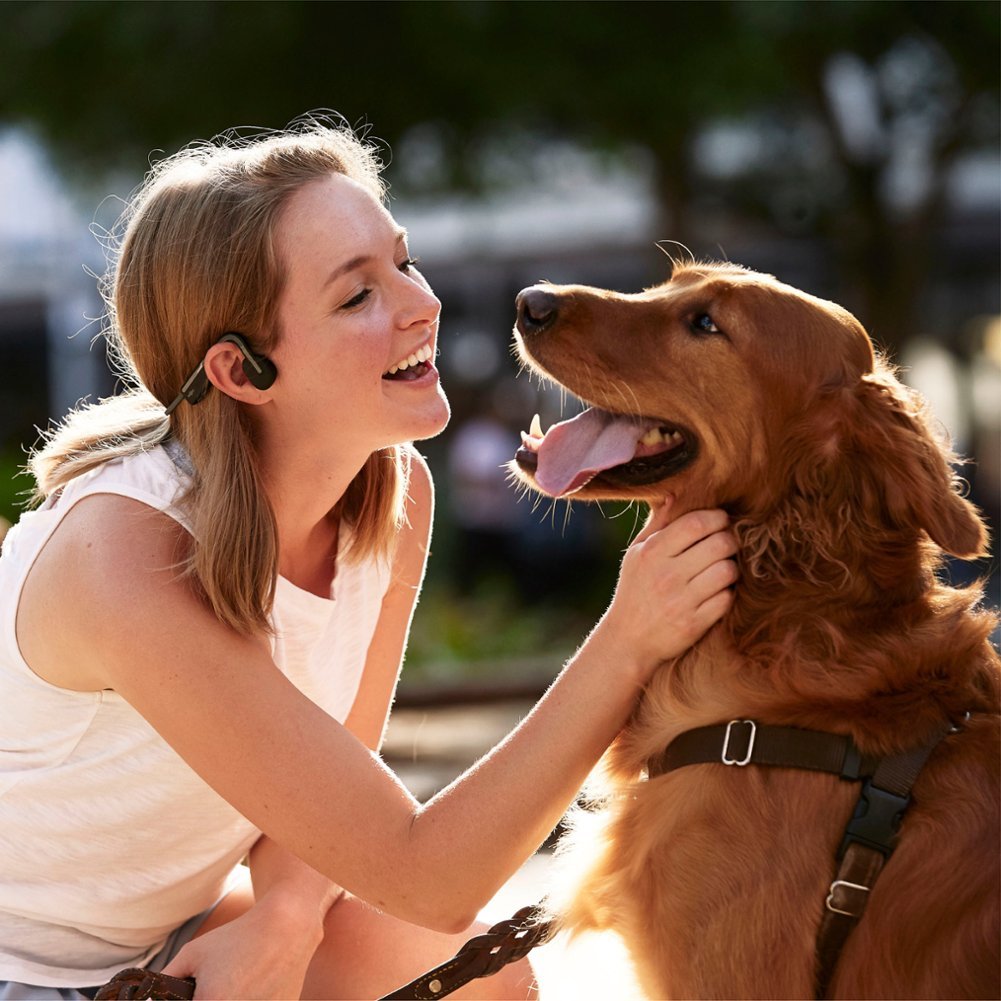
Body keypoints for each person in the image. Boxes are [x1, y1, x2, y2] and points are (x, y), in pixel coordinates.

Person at [0, 119, 738, 1000]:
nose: (419, 304)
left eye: (402, 261)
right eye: (356, 297)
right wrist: (629, 636)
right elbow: (425, 869)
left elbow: (341, 793)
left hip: (173, 935)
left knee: (480, 976)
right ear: (241, 370)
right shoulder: (126, 553)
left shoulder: (394, 493)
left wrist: (280, 923)